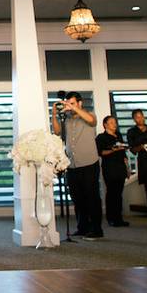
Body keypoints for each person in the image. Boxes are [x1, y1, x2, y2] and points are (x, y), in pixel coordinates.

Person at [53, 92, 103, 240]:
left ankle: (96, 229)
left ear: (80, 104)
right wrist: (54, 115)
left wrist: (74, 109)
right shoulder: (66, 120)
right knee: (77, 198)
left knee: (92, 197)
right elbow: (56, 132)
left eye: (72, 103)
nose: (69, 106)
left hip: (89, 163)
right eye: (68, 103)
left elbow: (92, 121)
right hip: (72, 165)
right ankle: (82, 228)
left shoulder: (89, 115)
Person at [96, 115, 129, 227]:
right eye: (111, 122)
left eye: (115, 122)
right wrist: (113, 150)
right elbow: (101, 153)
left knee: (119, 194)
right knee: (111, 193)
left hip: (120, 167)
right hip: (110, 168)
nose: (114, 124)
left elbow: (124, 153)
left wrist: (127, 168)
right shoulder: (101, 137)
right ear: (105, 124)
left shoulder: (118, 135)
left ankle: (119, 218)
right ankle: (111, 218)